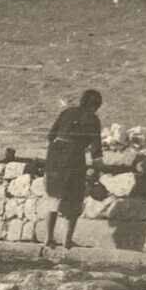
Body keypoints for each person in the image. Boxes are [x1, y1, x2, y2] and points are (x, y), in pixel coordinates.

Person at [43, 89, 105, 249]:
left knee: (54, 197)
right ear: (95, 106)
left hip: (54, 158)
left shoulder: (67, 112)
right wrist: (97, 168)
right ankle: (67, 241)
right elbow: (96, 148)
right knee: (75, 199)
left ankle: (48, 238)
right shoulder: (93, 119)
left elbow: (51, 135)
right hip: (73, 160)